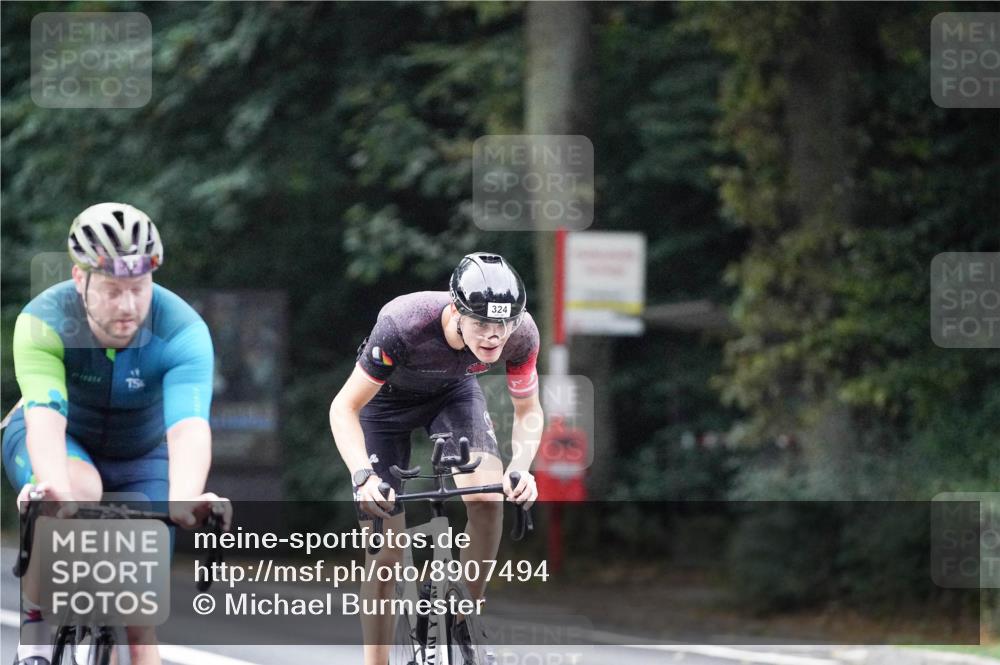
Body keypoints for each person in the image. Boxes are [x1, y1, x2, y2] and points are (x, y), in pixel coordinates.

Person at [2, 203, 230, 665]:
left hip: (141, 454)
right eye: (111, 290)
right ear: (80, 278)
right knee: (75, 492)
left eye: (138, 288)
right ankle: (36, 627)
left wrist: (186, 498)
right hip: (60, 439)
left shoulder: (183, 330)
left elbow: (187, 430)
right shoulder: (44, 320)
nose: (127, 306)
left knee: (140, 613)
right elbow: (47, 416)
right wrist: (55, 492)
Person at [330, 252, 544, 665]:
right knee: (385, 555)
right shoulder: (404, 324)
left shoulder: (522, 334)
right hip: (383, 404)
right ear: (455, 310)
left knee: (487, 500)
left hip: (453, 395)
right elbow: (343, 408)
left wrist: (521, 466)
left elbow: (529, 411)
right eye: (481, 322)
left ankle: (464, 617)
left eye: (503, 323)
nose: (493, 336)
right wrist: (362, 476)